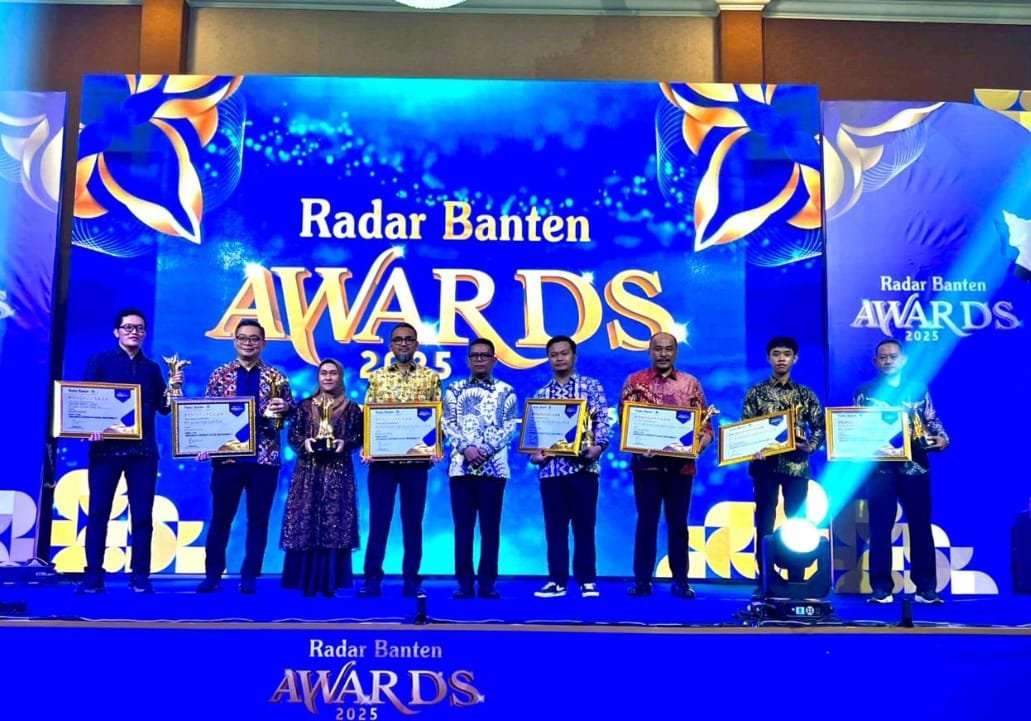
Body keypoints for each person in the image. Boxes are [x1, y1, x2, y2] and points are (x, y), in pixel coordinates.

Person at [76, 308, 182, 594]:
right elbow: (85, 400)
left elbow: (163, 408)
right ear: (117, 332)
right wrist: (90, 427)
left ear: (144, 333)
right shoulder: (99, 361)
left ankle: (140, 576)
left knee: (143, 516)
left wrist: (174, 390)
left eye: (139, 328)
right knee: (98, 512)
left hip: (142, 453)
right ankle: (93, 576)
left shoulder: (152, 369)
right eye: (128, 327)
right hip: (105, 451)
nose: (134, 332)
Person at [196, 319, 293, 594]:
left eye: (254, 338)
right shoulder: (220, 375)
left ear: (263, 343)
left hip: (264, 459)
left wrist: (286, 408)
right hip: (227, 460)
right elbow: (207, 415)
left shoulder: (277, 377)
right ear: (234, 341)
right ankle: (213, 574)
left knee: (258, 521)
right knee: (221, 519)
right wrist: (203, 443)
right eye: (243, 338)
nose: (248, 343)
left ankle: (250, 575)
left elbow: (288, 414)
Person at [856, 338, 949, 604]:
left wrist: (943, 438)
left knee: (920, 526)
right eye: (883, 357)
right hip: (880, 469)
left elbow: (931, 419)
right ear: (876, 362)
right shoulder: (865, 392)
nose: (888, 361)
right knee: (880, 528)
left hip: (915, 467)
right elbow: (856, 425)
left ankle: (925, 588)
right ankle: (881, 588)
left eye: (893, 356)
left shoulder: (917, 389)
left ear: (903, 360)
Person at [621, 332, 713, 599]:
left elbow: (706, 426)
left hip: (681, 469)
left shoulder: (690, 383)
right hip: (646, 466)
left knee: (678, 524)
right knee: (646, 523)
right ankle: (642, 581)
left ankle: (681, 581)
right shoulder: (634, 381)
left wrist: (699, 444)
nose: (663, 354)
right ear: (650, 351)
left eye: (668, 349)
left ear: (676, 352)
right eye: (658, 349)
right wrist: (639, 443)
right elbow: (627, 423)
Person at [359, 322, 442, 599]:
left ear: (417, 344)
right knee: (379, 522)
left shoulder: (430, 378)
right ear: (391, 345)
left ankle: (411, 580)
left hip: (416, 465)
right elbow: (368, 415)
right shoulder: (377, 377)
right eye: (398, 339)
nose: (403, 343)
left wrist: (435, 446)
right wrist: (368, 446)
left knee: (413, 523)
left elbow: (438, 417)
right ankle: (372, 578)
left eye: (408, 339)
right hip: (382, 464)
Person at [742, 336, 825, 599]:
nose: (781, 358)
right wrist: (751, 448)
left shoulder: (805, 394)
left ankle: (797, 577)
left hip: (796, 467)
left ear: (794, 359)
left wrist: (810, 446)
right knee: (764, 524)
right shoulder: (756, 392)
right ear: (769, 358)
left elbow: (820, 427)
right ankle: (765, 579)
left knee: (798, 522)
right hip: (764, 467)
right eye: (776, 354)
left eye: (786, 354)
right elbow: (745, 428)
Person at [529, 335, 610, 599]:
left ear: (574, 356)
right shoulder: (541, 395)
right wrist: (534, 455)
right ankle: (557, 581)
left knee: (585, 527)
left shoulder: (591, 386)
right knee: (555, 529)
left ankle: (587, 580)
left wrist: (599, 447)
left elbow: (602, 422)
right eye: (554, 354)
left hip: (583, 469)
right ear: (548, 358)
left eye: (564, 353)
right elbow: (534, 437)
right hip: (551, 472)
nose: (559, 358)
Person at [442, 338, 518, 600]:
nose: (479, 359)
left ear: (494, 360)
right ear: (468, 360)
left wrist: (485, 449)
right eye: (474, 355)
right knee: (463, 528)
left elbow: (509, 427)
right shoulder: (454, 390)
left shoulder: (506, 391)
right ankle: (464, 583)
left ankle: (487, 583)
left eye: (484, 355)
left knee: (490, 529)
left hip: (494, 471)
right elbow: (448, 423)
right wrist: (466, 448)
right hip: (461, 470)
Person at [280, 358, 363, 597]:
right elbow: (293, 436)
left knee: (334, 523)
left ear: (340, 377)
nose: (328, 377)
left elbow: (359, 437)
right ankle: (304, 581)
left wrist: (344, 443)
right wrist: (304, 443)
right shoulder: (305, 406)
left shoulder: (352, 408)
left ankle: (330, 582)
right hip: (308, 472)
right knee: (306, 520)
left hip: (338, 472)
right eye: (323, 373)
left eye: (333, 373)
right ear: (318, 377)